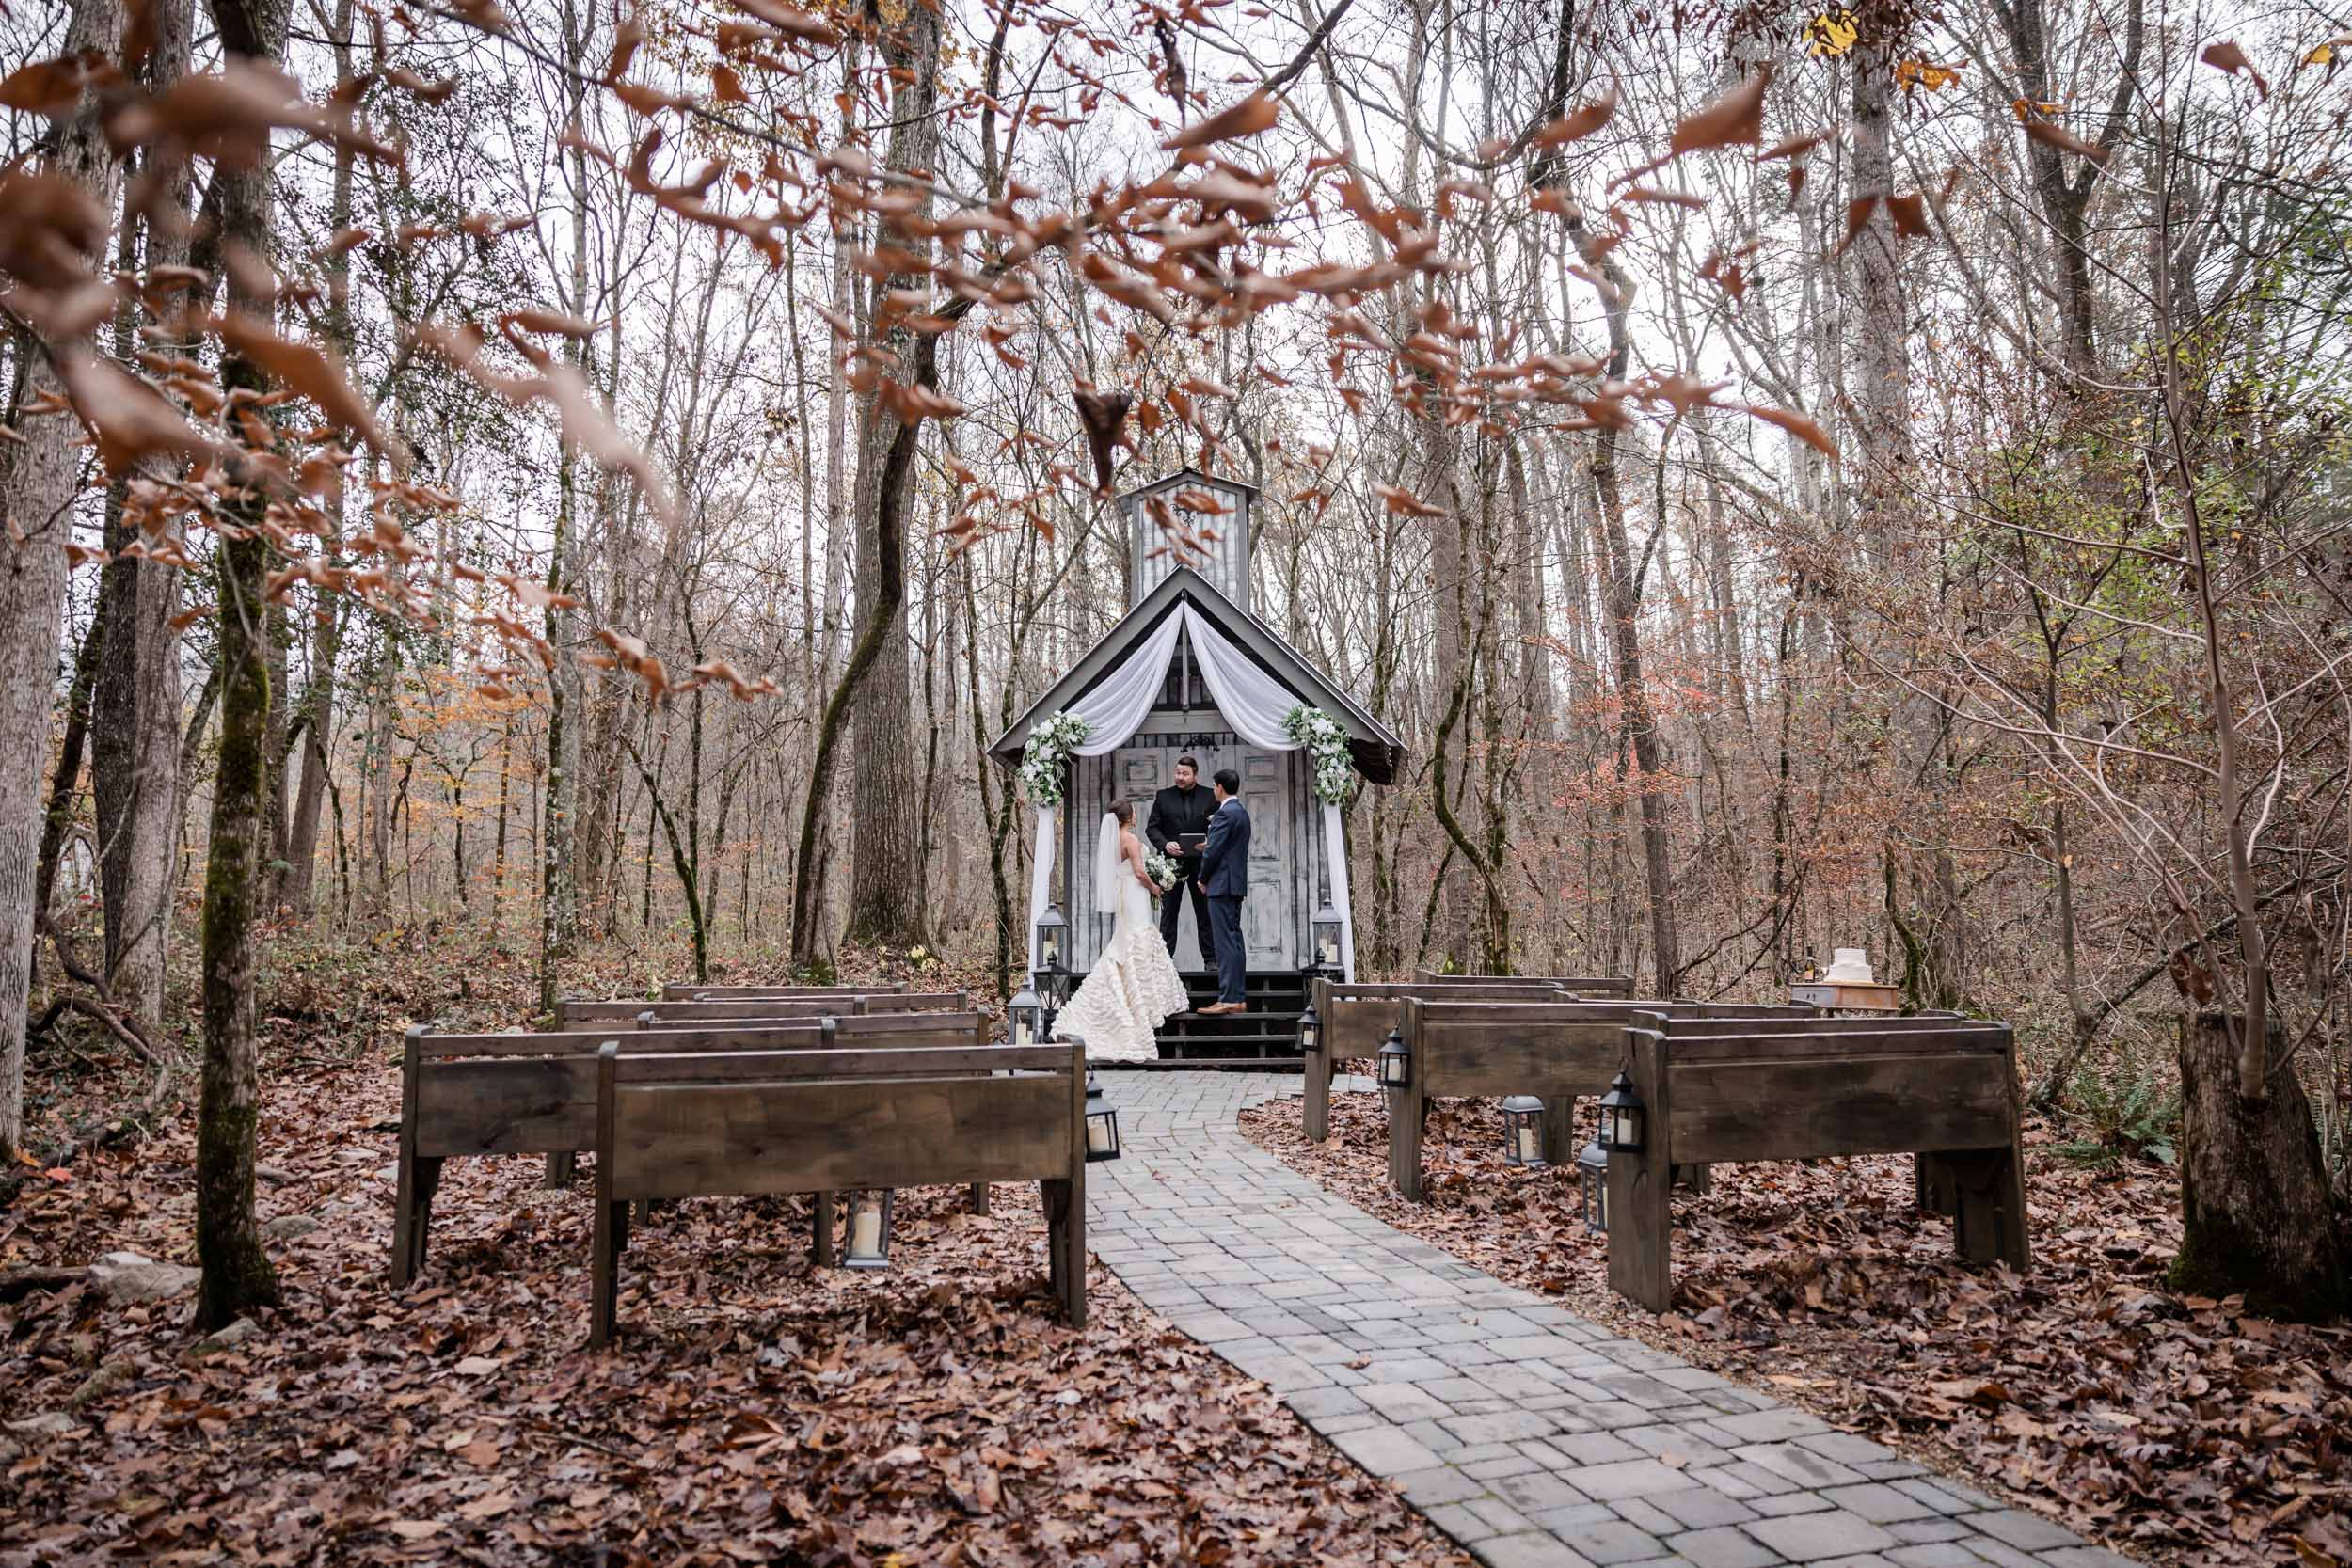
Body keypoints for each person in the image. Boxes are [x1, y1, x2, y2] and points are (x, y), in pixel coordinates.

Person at [1048, 798, 1188, 1062]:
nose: (1136, 815)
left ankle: (1134, 990)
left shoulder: (1114, 840)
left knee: (1127, 939)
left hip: (1125, 896)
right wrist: (1156, 887)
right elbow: (1139, 872)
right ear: (1128, 817)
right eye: (1134, 811)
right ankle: (1142, 1000)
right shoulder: (1132, 840)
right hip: (1136, 893)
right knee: (1139, 937)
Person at [1146, 755, 1216, 972]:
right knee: (1168, 914)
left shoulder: (1209, 795)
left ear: (1195, 774)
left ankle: (1211, 960)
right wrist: (1165, 844)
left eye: (1185, 774)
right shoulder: (1163, 796)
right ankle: (1164, 962)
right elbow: (1152, 828)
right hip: (1171, 866)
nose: (1180, 777)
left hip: (1201, 864)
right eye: (1177, 773)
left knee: (1204, 913)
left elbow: (1218, 827)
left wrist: (1209, 842)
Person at [1195, 769, 1251, 1015]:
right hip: (1235, 883)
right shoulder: (1241, 813)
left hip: (1221, 885)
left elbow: (1213, 853)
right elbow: (1227, 847)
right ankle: (1237, 997)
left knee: (1225, 943)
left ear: (1219, 787)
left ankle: (1228, 998)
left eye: (1214, 787)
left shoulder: (1223, 814)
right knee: (1235, 941)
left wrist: (1202, 878)